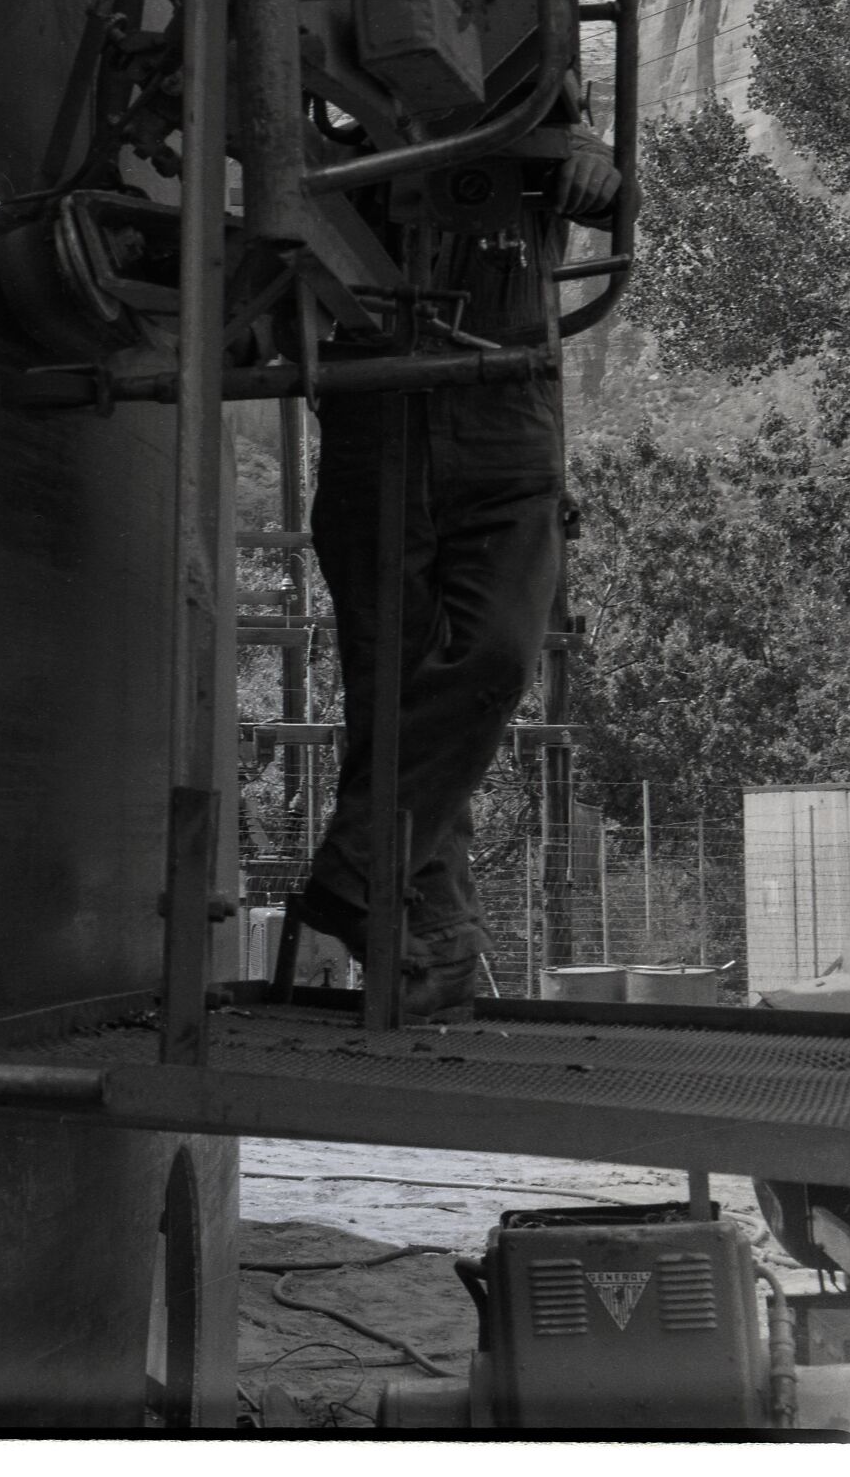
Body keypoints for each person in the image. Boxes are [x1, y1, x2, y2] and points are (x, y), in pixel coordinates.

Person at [289, 80, 619, 1015]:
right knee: (395, 702)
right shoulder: (342, 165)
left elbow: (605, 181)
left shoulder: (543, 153)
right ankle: (428, 951)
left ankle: (356, 885)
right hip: (378, 437)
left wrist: (586, 156)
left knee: (489, 663)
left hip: (505, 438)